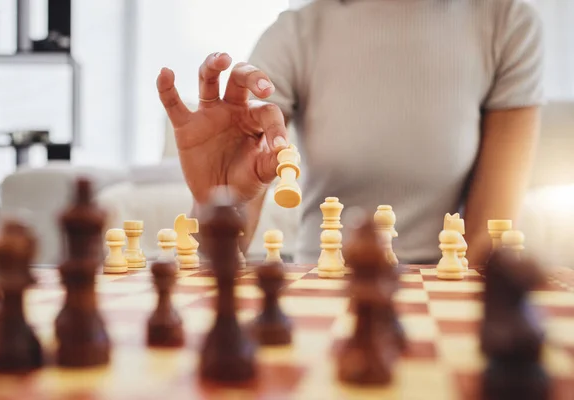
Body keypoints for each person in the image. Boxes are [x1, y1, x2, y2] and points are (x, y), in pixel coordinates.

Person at [156, 0, 544, 266]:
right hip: (320, 285)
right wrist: (219, 199)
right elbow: (219, 256)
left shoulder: (507, 23)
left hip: (444, 289)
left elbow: (487, 241)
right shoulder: (297, 32)